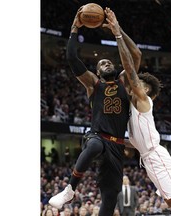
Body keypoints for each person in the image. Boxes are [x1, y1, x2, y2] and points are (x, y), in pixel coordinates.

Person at [49, 6, 142, 216]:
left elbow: (136, 55)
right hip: (97, 136)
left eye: (109, 61)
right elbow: (72, 59)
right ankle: (70, 189)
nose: (107, 63)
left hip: (117, 146)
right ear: (97, 72)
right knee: (92, 146)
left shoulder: (124, 82)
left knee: (110, 198)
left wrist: (118, 30)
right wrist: (74, 28)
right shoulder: (93, 84)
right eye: (102, 63)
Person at [112, 11, 171, 216]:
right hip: (150, 157)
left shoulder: (143, 100)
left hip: (155, 156)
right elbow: (136, 141)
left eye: (138, 83)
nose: (134, 83)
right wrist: (116, 140)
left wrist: (117, 33)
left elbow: (132, 65)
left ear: (146, 89)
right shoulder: (132, 106)